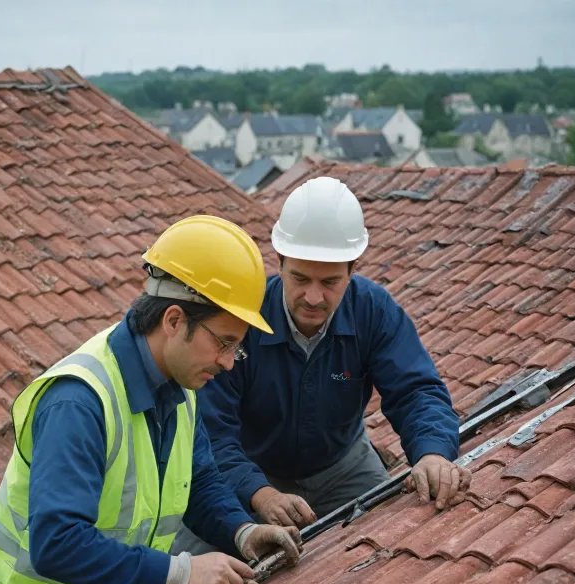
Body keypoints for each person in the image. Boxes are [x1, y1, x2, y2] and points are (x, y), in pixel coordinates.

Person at [0, 215, 302, 584]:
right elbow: (57, 543)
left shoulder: (182, 381)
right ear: (174, 321)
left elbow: (199, 480)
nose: (229, 362)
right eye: (224, 342)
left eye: (238, 348)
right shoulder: (78, 403)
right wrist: (181, 573)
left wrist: (242, 531)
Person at [169, 177, 470, 560]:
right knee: (197, 571)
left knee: (398, 541)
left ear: (352, 270)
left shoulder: (373, 310)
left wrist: (432, 453)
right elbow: (212, 432)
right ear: (280, 264)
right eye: (300, 278)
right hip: (247, 474)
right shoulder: (242, 321)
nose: (313, 297)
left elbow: (417, 391)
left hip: (344, 468)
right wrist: (260, 493)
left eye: (330, 282)